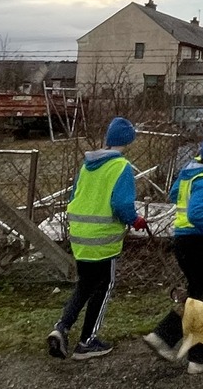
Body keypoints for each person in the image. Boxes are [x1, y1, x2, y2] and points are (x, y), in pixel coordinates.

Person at [143, 126, 203, 373]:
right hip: (201, 242)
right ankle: (200, 356)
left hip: (185, 241)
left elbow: (176, 194)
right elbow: (197, 214)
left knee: (198, 296)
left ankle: (166, 336)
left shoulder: (190, 174)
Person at [47, 117, 141, 360]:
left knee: (85, 284)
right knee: (104, 286)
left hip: (80, 236)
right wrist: (134, 220)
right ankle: (87, 341)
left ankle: (62, 327)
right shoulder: (121, 167)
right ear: (128, 140)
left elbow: (73, 196)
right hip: (103, 239)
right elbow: (121, 204)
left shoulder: (87, 165)